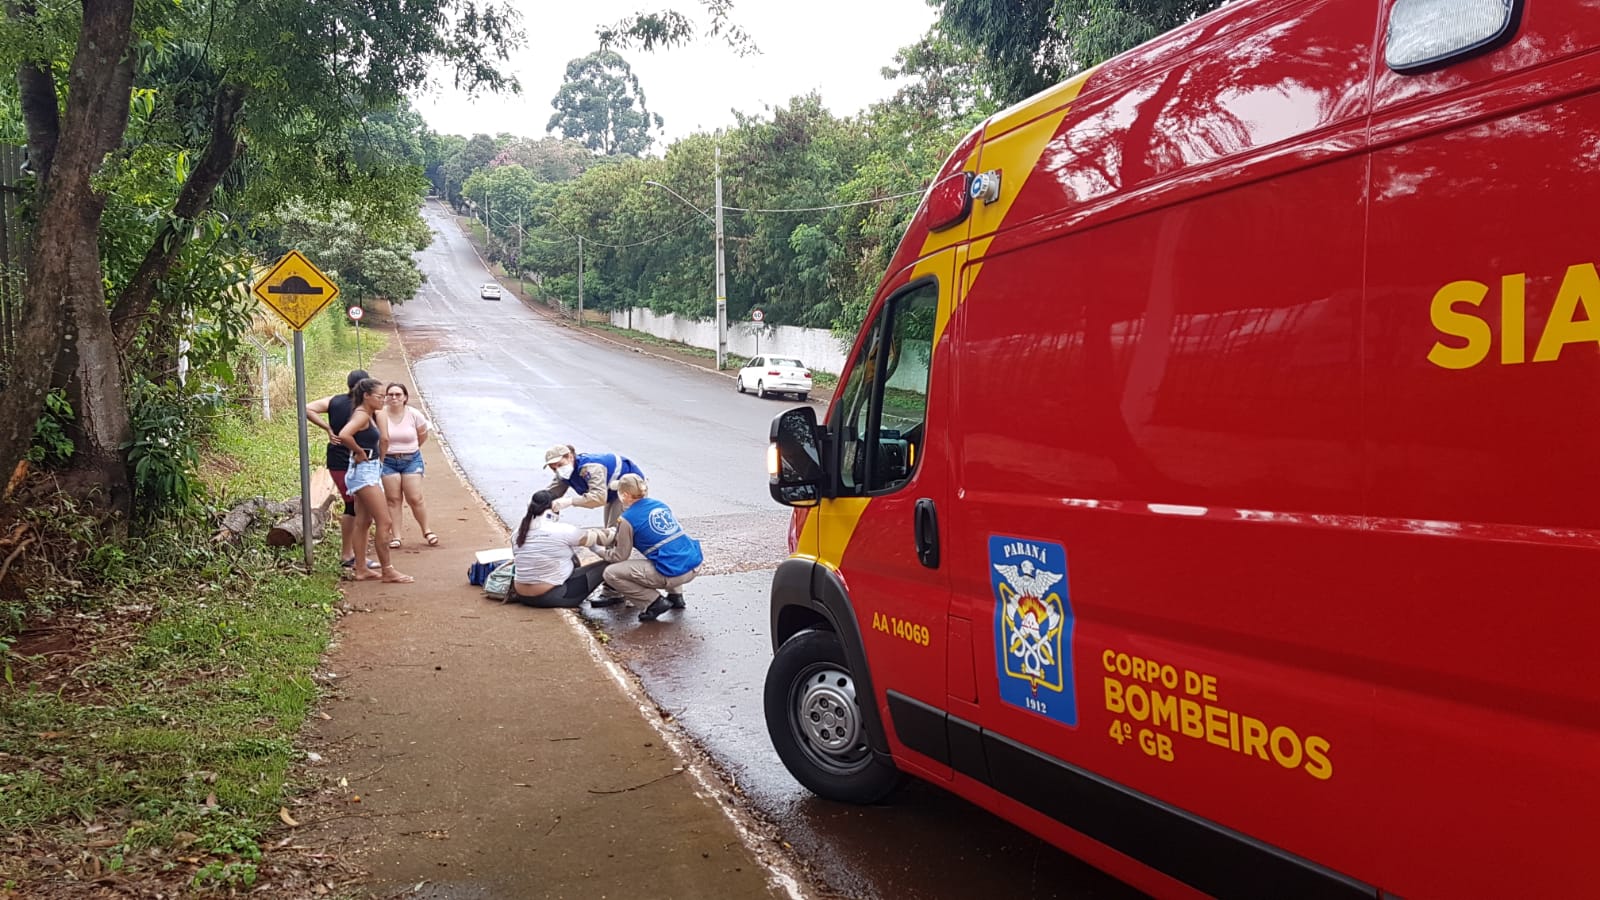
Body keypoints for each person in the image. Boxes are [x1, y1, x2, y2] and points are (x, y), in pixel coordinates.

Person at [592, 473, 703, 622]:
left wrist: (597, 550)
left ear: (624, 495)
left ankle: (653, 602)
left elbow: (620, 556)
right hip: (693, 564)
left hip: (672, 574)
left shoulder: (627, 519)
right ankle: (676, 596)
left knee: (611, 573)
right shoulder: (660, 505)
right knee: (668, 548)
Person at [543, 444, 645, 606]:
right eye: (552, 467)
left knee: (617, 537)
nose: (557, 470)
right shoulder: (565, 472)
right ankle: (619, 584)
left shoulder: (590, 467)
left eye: (559, 464)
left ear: (570, 456)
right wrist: (537, 505)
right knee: (612, 536)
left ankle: (617, 589)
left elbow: (598, 498)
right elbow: (552, 492)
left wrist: (570, 501)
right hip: (613, 494)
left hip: (628, 490)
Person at [337, 377, 412, 584]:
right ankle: (387, 570)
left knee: (363, 521)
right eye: (380, 396)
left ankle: (361, 568)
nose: (383, 400)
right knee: (385, 521)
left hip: (366, 469)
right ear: (366, 396)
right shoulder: (361, 416)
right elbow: (344, 435)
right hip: (364, 472)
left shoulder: (367, 414)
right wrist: (359, 451)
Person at [305, 369, 370, 572]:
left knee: (353, 506)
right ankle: (350, 555)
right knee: (356, 507)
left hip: (338, 459)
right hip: (352, 459)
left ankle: (352, 554)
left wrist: (327, 428)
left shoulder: (335, 401)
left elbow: (307, 408)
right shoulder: (365, 407)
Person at [507, 490, 611, 608]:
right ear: (556, 507)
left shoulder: (518, 532)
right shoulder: (563, 530)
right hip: (553, 596)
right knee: (610, 564)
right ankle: (613, 593)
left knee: (566, 554)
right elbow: (599, 537)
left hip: (522, 595)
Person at [380, 382, 437, 549]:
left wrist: (411, 449)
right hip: (387, 461)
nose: (394, 397)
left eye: (398, 394)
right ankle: (396, 536)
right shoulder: (380, 415)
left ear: (405, 397)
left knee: (415, 497)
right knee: (393, 499)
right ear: (386, 397)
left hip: (411, 459)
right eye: (390, 394)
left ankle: (426, 530)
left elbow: (423, 434)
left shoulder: (414, 414)